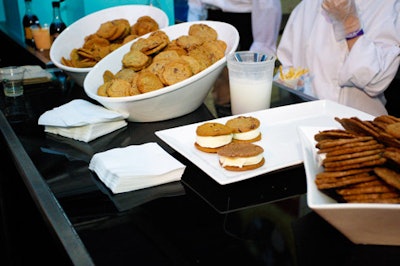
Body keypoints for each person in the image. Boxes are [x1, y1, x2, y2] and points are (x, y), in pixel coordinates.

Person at [277, 0, 400, 116]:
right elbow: (287, 68)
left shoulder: (387, 6)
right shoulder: (308, 5)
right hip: (307, 120)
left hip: (360, 127)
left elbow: (376, 81)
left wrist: (350, 24)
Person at [187, 0, 282, 116]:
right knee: (221, 93)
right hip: (212, 17)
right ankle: (226, 125)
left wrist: (261, 50)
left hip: (247, 21)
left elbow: (267, 5)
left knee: (249, 93)